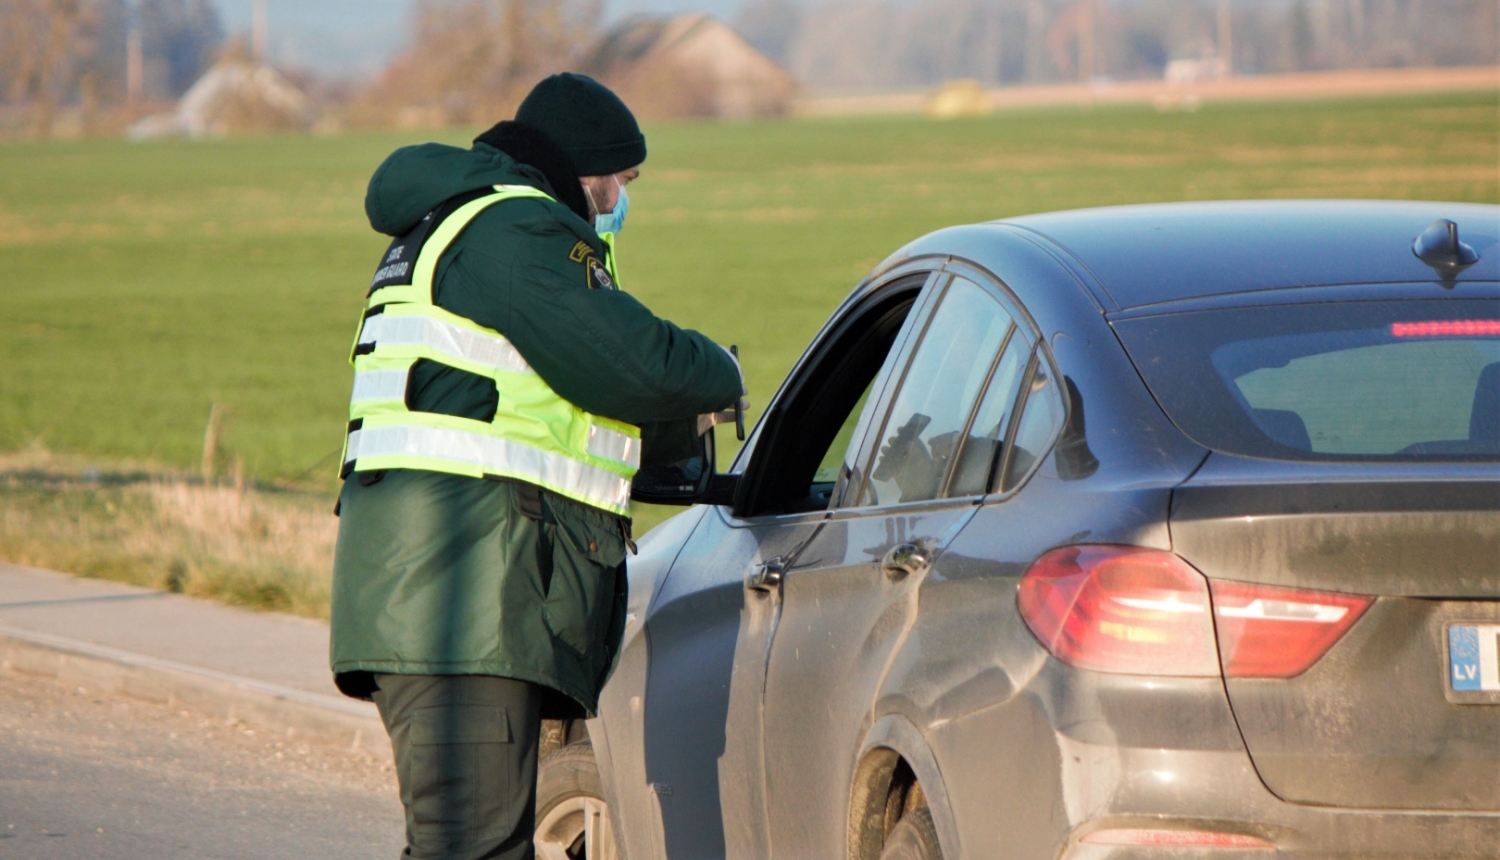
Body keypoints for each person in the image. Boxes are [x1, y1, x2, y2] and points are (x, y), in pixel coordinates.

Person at [329, 73, 743, 860]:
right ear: (587, 174)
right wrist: (719, 370)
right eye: (622, 179)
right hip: (459, 597)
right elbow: (636, 360)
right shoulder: (518, 231)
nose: (623, 197)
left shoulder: (459, 228)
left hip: (447, 586)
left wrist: (671, 450)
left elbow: (555, 400)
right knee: (475, 848)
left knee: (468, 843)